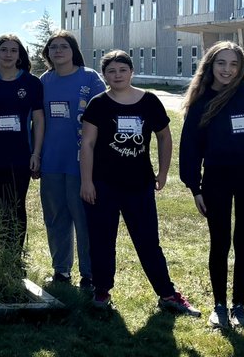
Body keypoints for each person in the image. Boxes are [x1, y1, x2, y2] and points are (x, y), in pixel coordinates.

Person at [80, 51, 200, 316]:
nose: (117, 75)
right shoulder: (98, 104)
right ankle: (101, 290)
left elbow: (164, 138)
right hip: (102, 185)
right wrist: (87, 182)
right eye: (111, 71)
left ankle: (167, 294)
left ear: (131, 72)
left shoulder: (149, 102)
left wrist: (163, 172)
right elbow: (87, 144)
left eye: (122, 70)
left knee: (148, 241)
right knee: (101, 240)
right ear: (105, 75)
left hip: (139, 185)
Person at [180, 41, 244, 330]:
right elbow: (190, 148)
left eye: (233, 64)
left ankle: (239, 306)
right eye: (221, 63)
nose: (227, 69)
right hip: (216, 180)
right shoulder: (200, 102)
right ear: (211, 65)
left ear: (241, 67)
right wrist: (195, 187)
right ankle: (220, 307)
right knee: (220, 242)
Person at [38, 31, 104, 288]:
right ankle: (61, 270)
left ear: (73, 50)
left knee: (84, 219)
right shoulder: (44, 80)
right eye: (53, 47)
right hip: (52, 160)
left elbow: (103, 117)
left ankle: (89, 274)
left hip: (82, 163)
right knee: (55, 218)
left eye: (63, 46)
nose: (58, 51)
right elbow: (38, 121)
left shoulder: (90, 78)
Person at [0, 34, 44, 257]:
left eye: (14, 50)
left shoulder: (31, 83)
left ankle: (15, 256)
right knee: (0, 204)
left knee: (17, 203)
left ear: (20, 55)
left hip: (21, 154)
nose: (8, 54)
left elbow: (39, 121)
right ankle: (4, 252)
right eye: (4, 50)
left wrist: (36, 153)